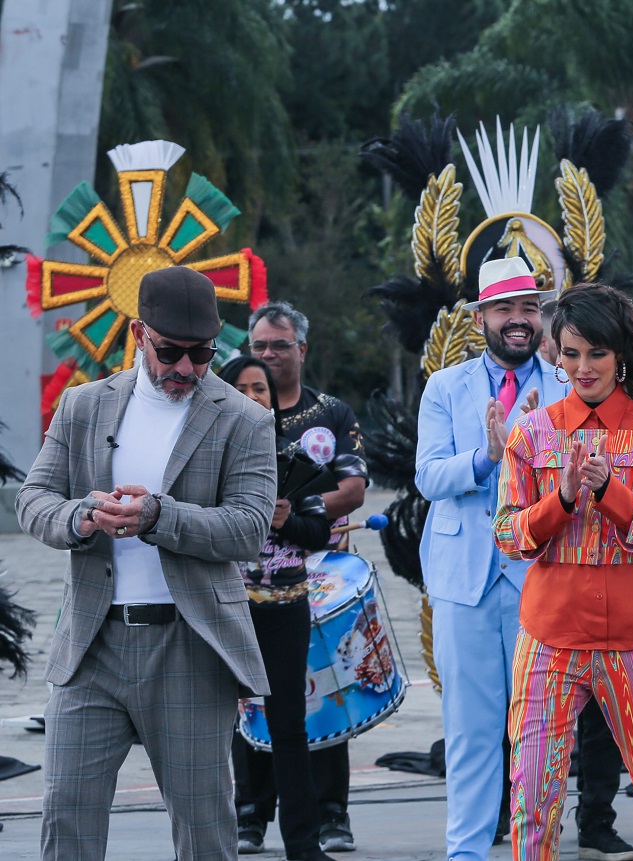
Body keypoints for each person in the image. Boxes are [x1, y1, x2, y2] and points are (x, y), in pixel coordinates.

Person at [16, 266, 276, 861]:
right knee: (66, 818)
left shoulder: (245, 419)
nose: (185, 368)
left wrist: (161, 518)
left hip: (190, 647)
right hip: (91, 644)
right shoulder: (83, 406)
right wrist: (82, 517)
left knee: (204, 830)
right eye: (171, 352)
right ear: (139, 333)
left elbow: (249, 528)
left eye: (202, 354)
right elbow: (34, 500)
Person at [494, 283, 633, 860]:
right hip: (548, 641)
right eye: (571, 353)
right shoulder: (531, 433)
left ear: (620, 354)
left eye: (597, 353)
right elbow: (508, 535)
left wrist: (611, 491)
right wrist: (558, 500)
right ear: (555, 355)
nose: (583, 368)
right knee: (532, 797)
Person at [413, 258, 602, 861]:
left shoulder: (566, 386)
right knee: (470, 729)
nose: (517, 320)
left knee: (539, 731)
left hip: (542, 577)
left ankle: (532, 848)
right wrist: (487, 456)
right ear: (481, 317)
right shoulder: (446, 386)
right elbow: (427, 476)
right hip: (465, 581)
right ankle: (466, 852)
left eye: (528, 308)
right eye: (505, 309)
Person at [237, 300, 369, 853]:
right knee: (248, 699)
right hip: (243, 579)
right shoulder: (231, 409)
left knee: (324, 690)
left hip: (317, 569)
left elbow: (354, 489)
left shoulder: (332, 412)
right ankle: (248, 813)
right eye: (259, 346)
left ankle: (331, 812)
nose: (268, 356)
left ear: (302, 350)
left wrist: (293, 510)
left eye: (279, 346)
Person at [218, 356, 336, 861]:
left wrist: (286, 521)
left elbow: (320, 533)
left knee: (289, 726)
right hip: (225, 610)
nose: (252, 395)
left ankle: (303, 845)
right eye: (241, 387)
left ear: (272, 396)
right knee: (218, 725)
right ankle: (224, 832)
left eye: (260, 388)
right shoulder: (211, 459)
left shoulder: (295, 460)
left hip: (287, 608)